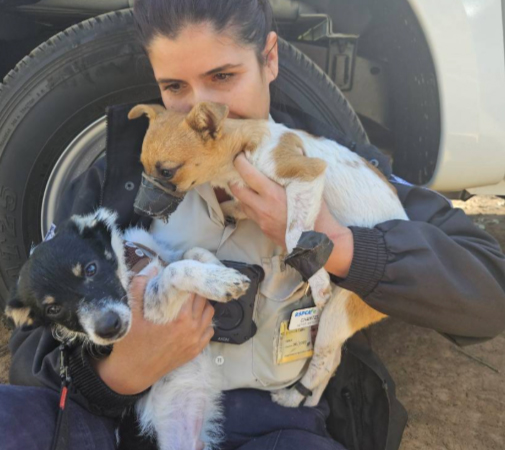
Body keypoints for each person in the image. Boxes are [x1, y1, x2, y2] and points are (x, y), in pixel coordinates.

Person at [2, 1, 505, 449]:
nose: (203, 113)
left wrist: (336, 242)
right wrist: (118, 375)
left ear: (270, 58)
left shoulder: (336, 163)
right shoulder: (122, 174)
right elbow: (30, 345)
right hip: (137, 421)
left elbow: (489, 290)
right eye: (175, 86)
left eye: (222, 76)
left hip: (281, 425)